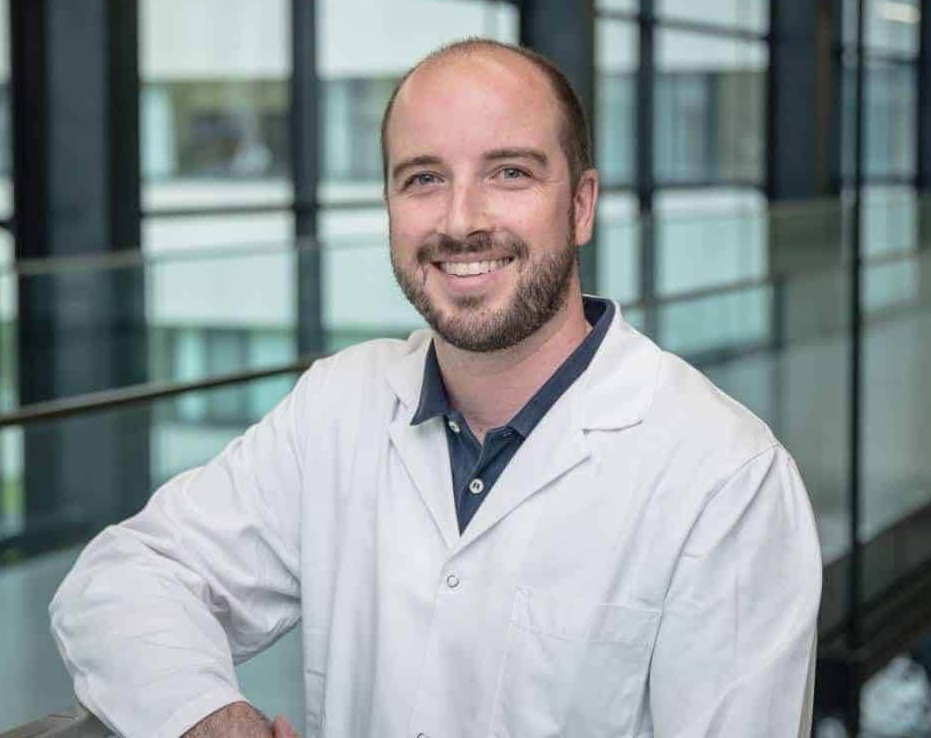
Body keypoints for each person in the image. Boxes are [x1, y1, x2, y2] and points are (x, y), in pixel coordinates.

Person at [49, 38, 823, 738]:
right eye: (423, 179)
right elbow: (123, 579)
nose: (460, 221)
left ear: (580, 205)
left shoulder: (724, 478)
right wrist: (211, 722)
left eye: (509, 172)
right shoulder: (339, 405)